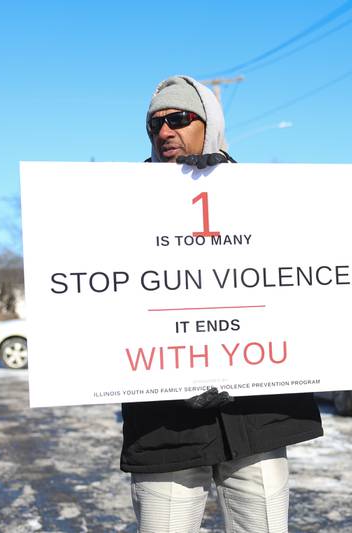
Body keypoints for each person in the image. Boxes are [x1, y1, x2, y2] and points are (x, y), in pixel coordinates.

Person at [120, 75, 324, 533]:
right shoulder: (122, 207)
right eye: (154, 125)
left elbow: (300, 282)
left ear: (208, 124)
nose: (165, 132)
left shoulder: (262, 201)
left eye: (178, 119)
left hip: (257, 416)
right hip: (164, 424)